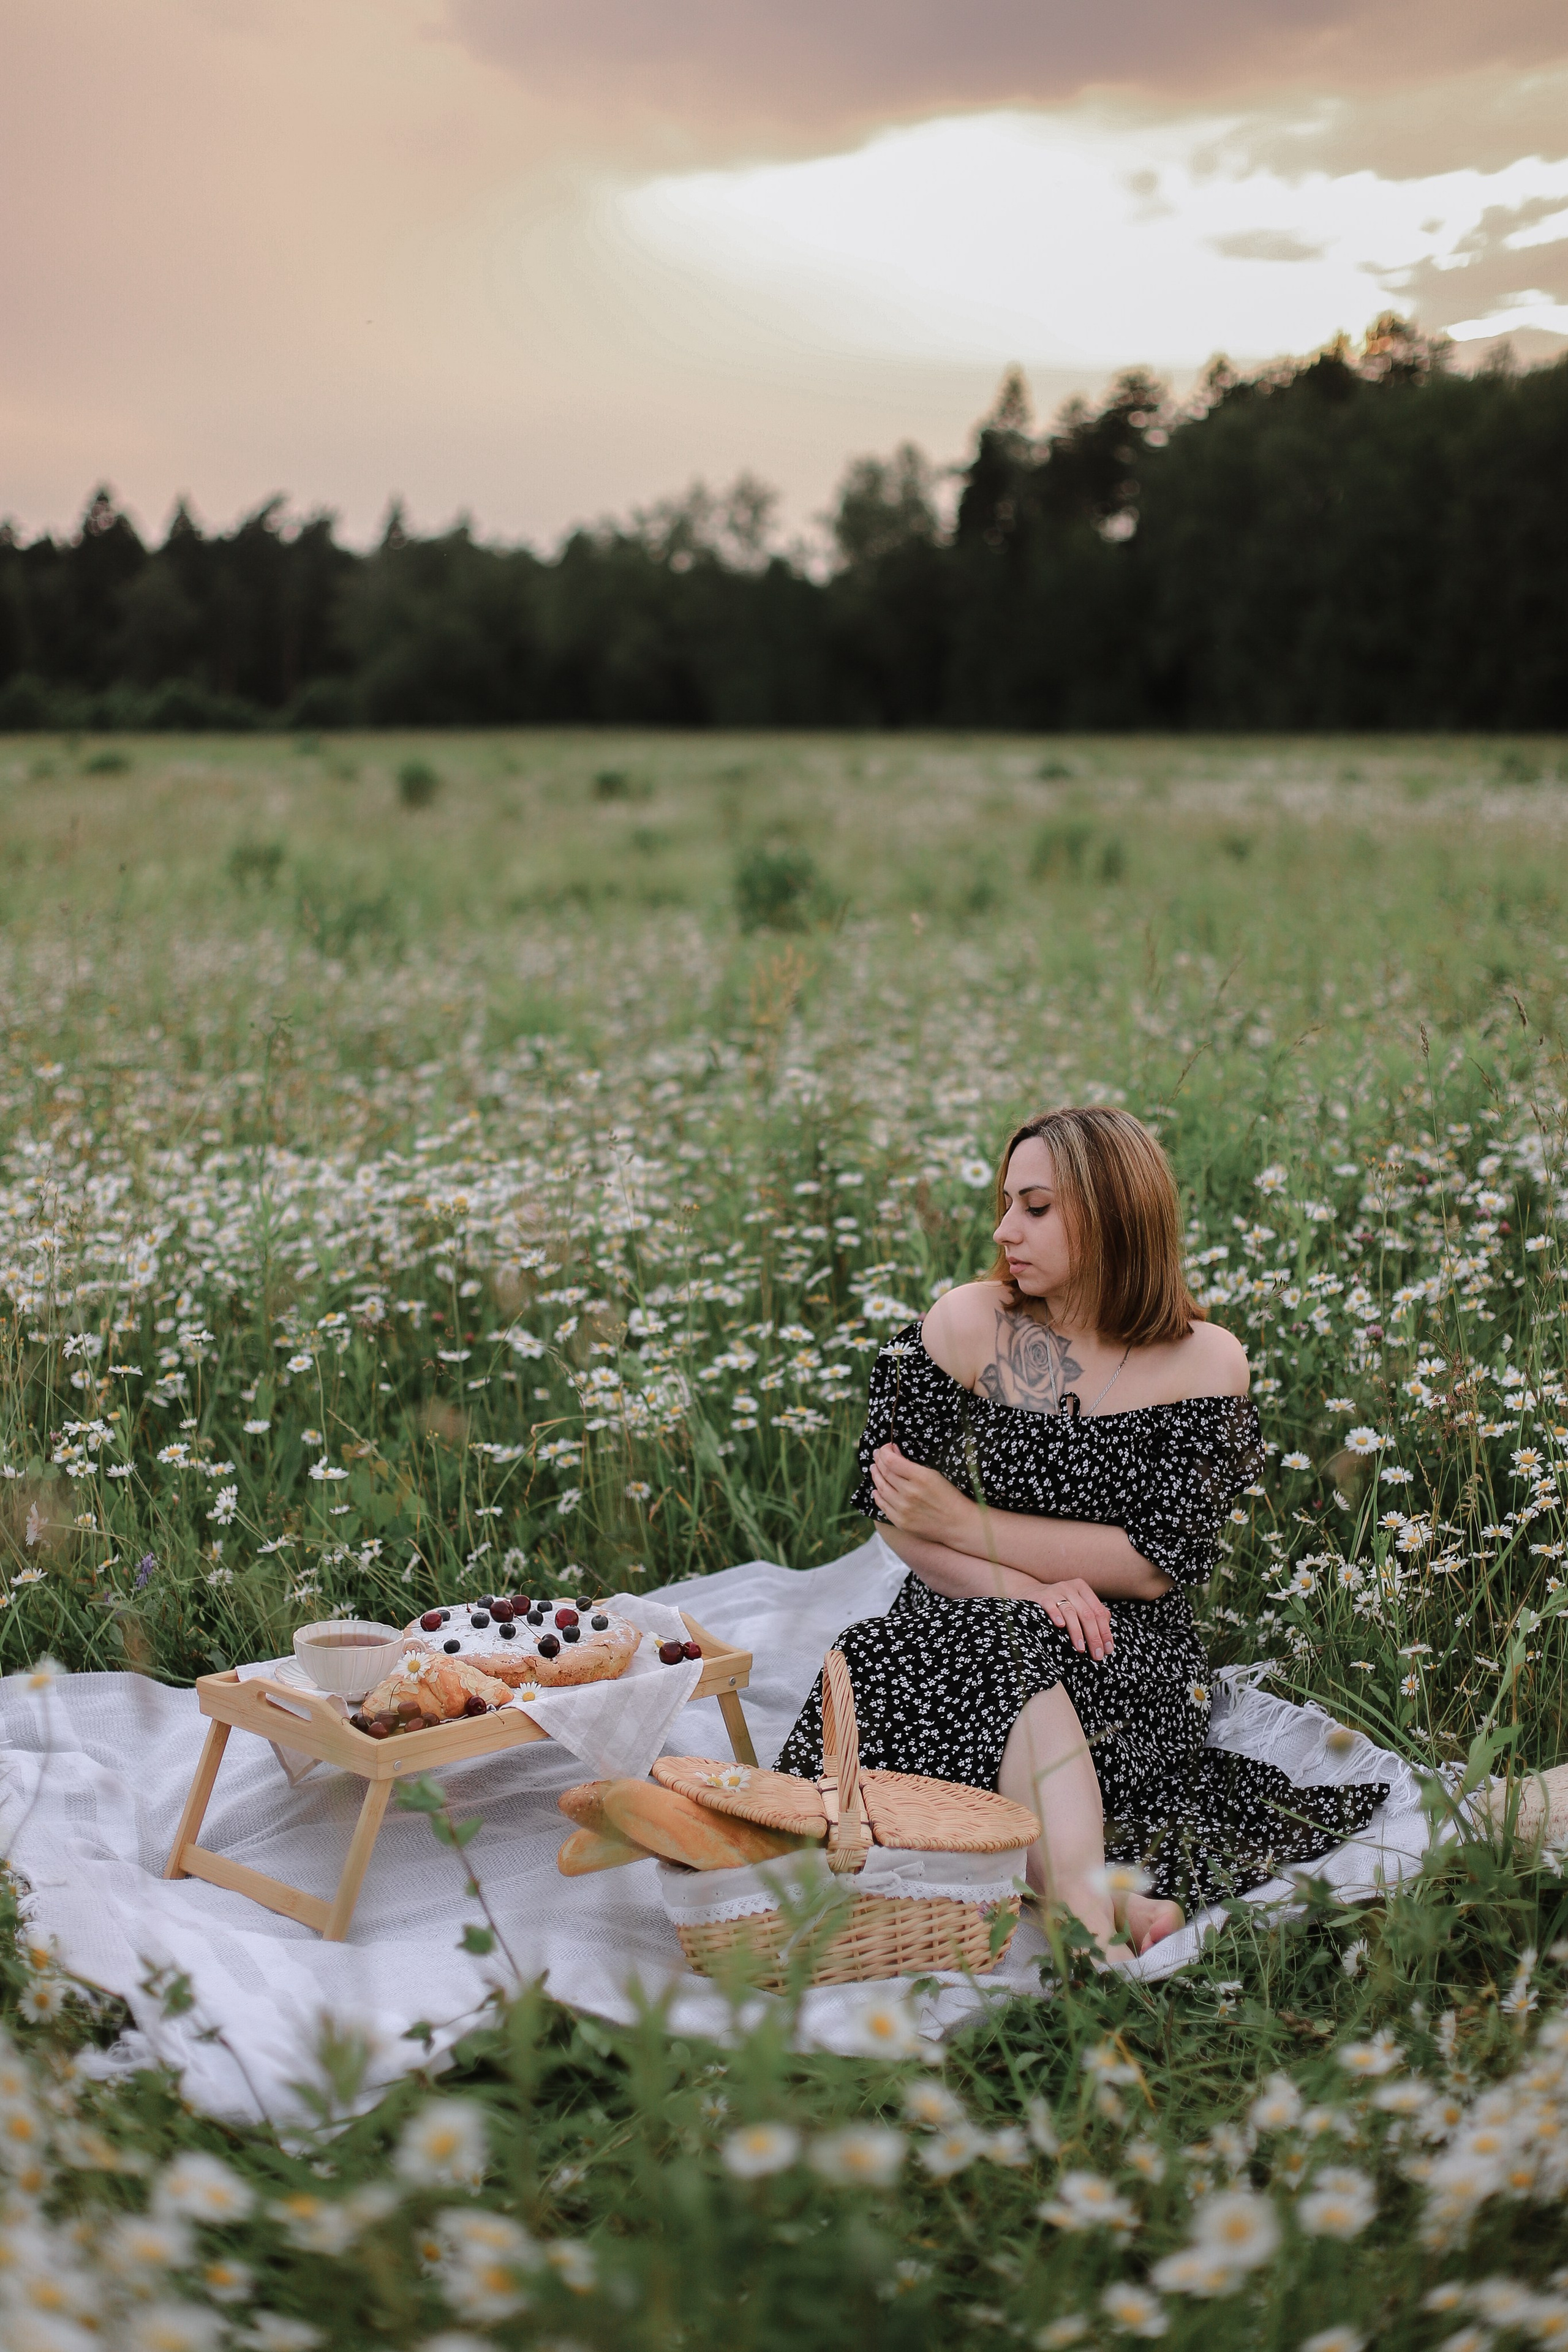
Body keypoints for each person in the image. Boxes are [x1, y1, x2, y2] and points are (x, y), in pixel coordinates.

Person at [777, 1106, 1389, 1961]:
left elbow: (1147, 1569)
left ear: (1110, 1217)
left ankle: (1074, 1919)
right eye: (1006, 1204)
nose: (1004, 1230)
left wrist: (967, 1520)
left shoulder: (1205, 1362)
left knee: (1007, 1675)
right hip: (966, 1611)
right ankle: (1095, 1909)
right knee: (892, 1656)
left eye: (1036, 1207)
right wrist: (1022, 1584)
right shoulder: (964, 1324)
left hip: (1121, 1645)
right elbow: (899, 1521)